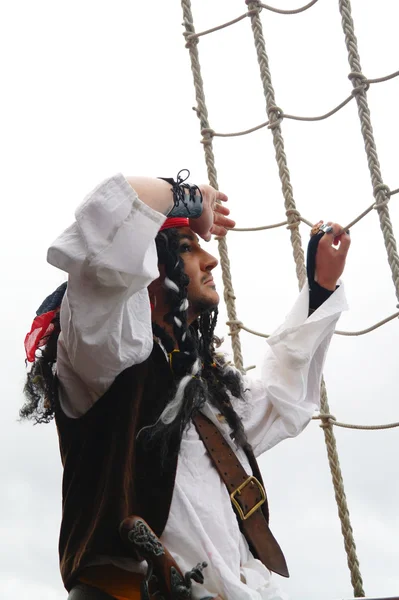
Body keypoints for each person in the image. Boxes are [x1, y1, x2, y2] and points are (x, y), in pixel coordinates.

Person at [22, 172, 350, 600]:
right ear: (146, 272)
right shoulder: (103, 351)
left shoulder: (206, 391)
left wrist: (321, 290)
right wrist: (191, 202)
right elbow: (113, 215)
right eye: (187, 249)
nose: (210, 260)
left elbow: (280, 397)